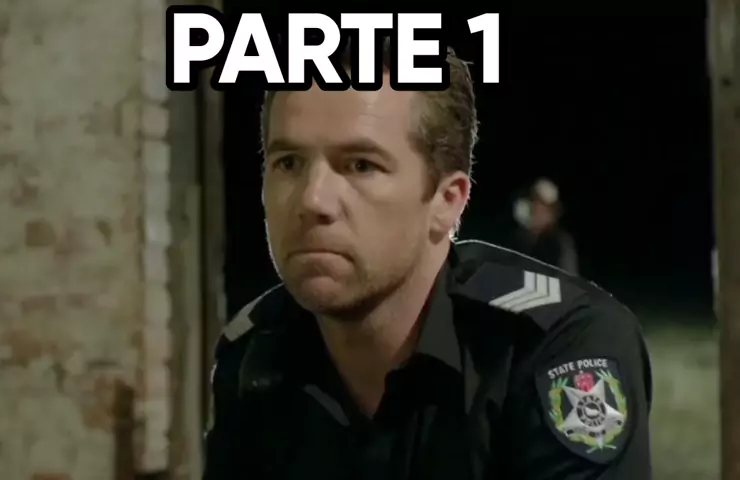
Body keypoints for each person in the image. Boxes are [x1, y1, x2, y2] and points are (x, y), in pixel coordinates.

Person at [204, 42, 653, 480]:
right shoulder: (254, 356)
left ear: (447, 201)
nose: (312, 200)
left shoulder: (549, 347)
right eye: (288, 163)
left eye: (361, 165)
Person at [510, 178, 580, 274]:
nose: (535, 209)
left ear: (552, 213)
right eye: (532, 202)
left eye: (541, 206)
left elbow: (567, 278)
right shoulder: (519, 238)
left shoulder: (560, 242)